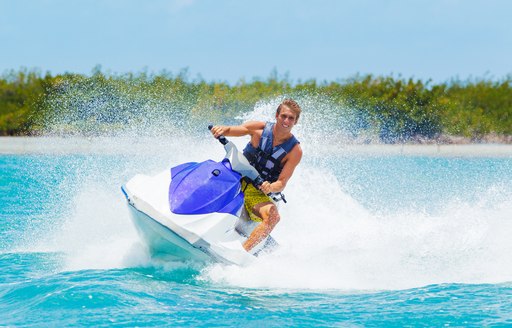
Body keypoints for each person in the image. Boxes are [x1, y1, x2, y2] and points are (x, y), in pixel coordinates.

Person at [210, 99, 303, 252]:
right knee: (209, 171)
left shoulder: (295, 151)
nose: (286, 121)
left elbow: (282, 182)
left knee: (274, 217)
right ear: (277, 115)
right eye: (284, 116)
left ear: (295, 121)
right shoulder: (258, 129)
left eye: (291, 118)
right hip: (235, 178)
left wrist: (270, 186)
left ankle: (242, 253)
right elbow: (231, 130)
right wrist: (221, 130)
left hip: (257, 191)